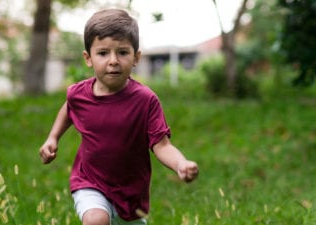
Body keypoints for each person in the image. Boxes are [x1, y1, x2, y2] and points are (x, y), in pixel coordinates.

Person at [38, 9, 199, 225]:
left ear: (136, 57)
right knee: (96, 220)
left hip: (131, 192)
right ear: (88, 58)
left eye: (122, 52)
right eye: (103, 53)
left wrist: (180, 163)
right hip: (89, 180)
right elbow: (69, 108)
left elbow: (161, 145)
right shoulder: (79, 94)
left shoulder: (145, 100)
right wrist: (53, 138)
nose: (113, 61)